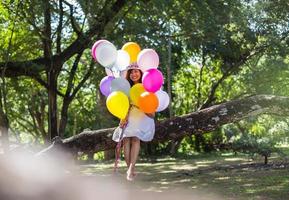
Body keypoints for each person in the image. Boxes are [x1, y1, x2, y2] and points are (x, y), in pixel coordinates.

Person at [112, 64, 155, 181]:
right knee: (126, 140)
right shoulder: (126, 88)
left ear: (141, 73)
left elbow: (150, 106)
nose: (133, 74)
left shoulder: (146, 86)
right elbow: (123, 104)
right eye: (131, 72)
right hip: (129, 115)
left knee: (136, 139)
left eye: (136, 71)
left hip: (141, 116)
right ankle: (129, 170)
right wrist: (122, 117)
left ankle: (131, 168)